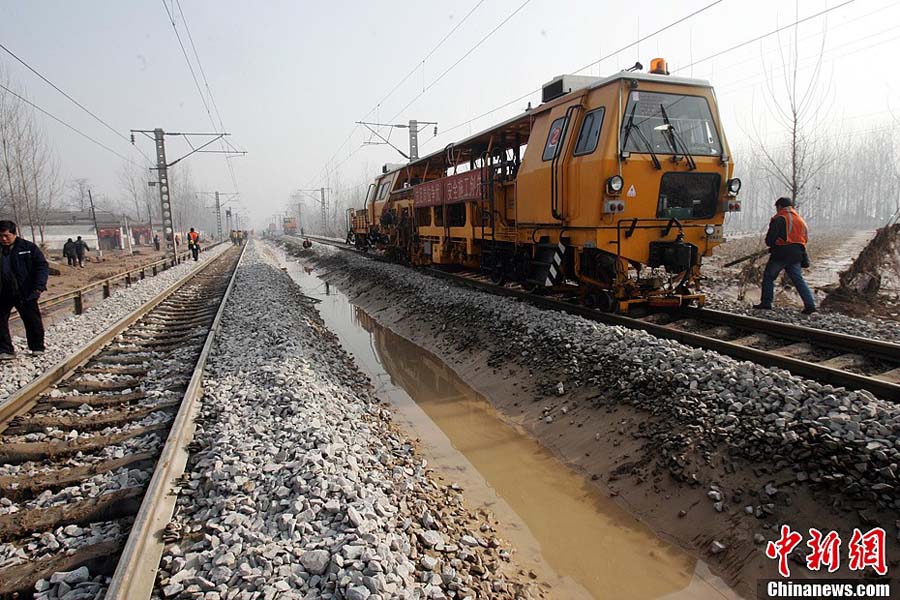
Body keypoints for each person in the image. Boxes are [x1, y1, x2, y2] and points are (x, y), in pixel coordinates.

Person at [754, 197, 816, 315]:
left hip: (781, 253)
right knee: (798, 280)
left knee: (769, 276)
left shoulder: (779, 218)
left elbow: (770, 239)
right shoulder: (801, 220)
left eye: (777, 208)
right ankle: (810, 305)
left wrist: (772, 245)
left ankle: (766, 303)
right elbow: (804, 240)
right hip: (797, 254)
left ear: (780, 206)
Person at [0, 220, 48, 359]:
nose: (3, 239)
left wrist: (39, 287)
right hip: (3, 292)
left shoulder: (28, 247)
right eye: (0, 236)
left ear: (14, 234)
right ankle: (5, 350)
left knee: (32, 320)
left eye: (6, 235)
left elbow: (41, 267)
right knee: (1, 321)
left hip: (25, 291)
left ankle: (37, 347)